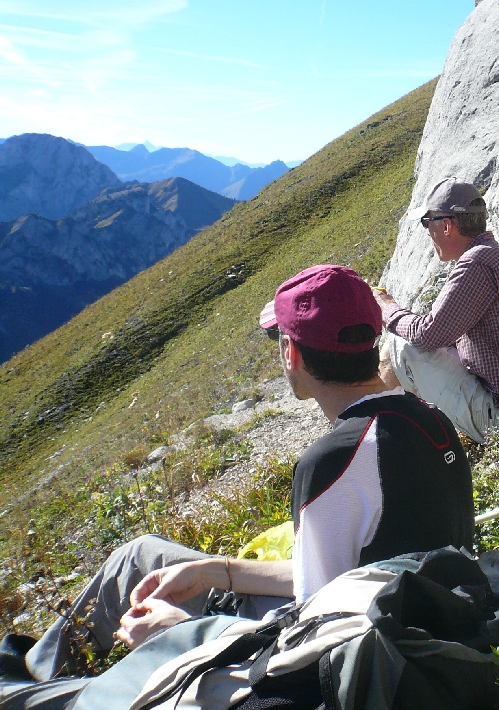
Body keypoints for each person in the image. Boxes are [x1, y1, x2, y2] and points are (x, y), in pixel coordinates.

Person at [10, 265, 474, 685]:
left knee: (133, 561)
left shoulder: (334, 460)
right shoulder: (428, 417)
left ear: (291, 352)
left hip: (342, 652)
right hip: (410, 624)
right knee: (145, 555)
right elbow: (342, 578)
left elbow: (313, 638)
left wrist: (185, 633)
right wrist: (218, 571)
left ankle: (28, 680)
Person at [373, 178, 499, 445]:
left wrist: (387, 307)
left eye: (427, 223)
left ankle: (381, 442)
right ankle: (393, 436)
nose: (427, 232)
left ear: (446, 225)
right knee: (413, 343)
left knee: (400, 345)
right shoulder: (498, 256)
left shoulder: (475, 264)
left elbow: (427, 334)